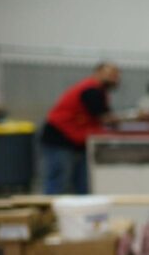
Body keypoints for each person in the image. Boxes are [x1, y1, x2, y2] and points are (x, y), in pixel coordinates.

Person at [40, 62, 120, 194]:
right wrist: (134, 117)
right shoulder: (90, 90)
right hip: (60, 139)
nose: (114, 79)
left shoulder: (99, 92)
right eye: (111, 75)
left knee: (82, 184)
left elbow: (105, 117)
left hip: (77, 141)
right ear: (98, 72)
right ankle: (50, 213)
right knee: (58, 182)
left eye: (116, 76)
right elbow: (106, 117)